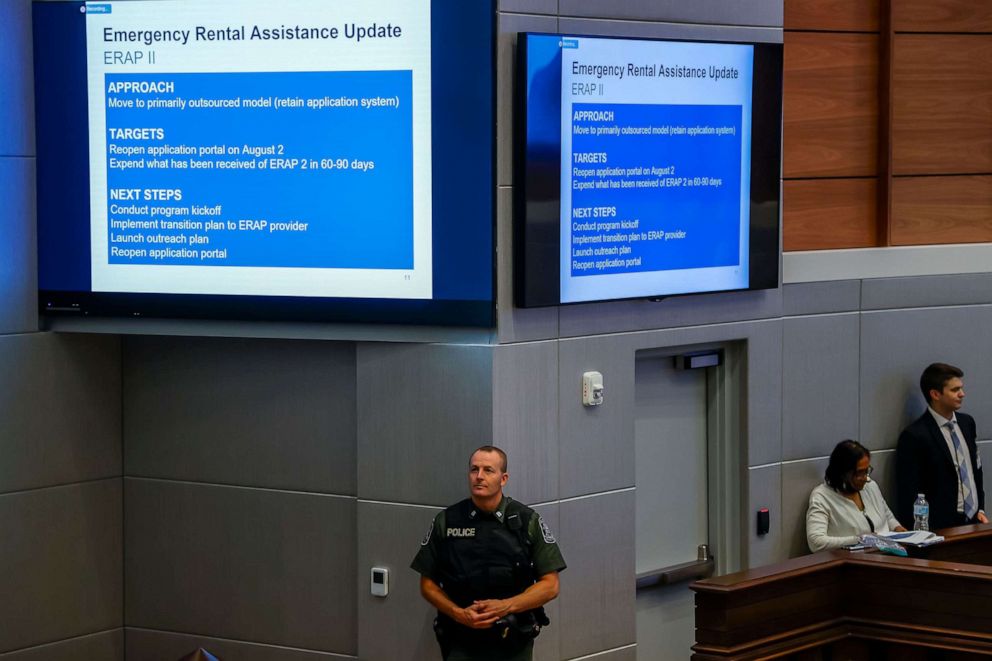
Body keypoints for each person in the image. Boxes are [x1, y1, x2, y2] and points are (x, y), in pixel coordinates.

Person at [411, 446, 566, 660]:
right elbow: (427, 584)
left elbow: (551, 585)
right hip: (460, 638)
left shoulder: (526, 521)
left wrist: (505, 606)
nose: (479, 476)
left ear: (503, 479)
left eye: (488, 470)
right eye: (474, 470)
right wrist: (458, 614)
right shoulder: (447, 521)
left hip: (512, 641)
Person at [896, 363, 987, 530]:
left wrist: (980, 507)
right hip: (940, 527)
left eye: (961, 388)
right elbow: (909, 490)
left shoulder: (967, 424)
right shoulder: (915, 435)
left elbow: (976, 469)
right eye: (955, 390)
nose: (962, 394)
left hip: (974, 522)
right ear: (935, 394)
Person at [806, 440, 905, 552]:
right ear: (842, 473)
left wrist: (899, 529)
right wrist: (860, 540)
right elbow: (816, 542)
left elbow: (887, 517)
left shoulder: (870, 486)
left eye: (867, 471)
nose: (865, 478)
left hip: (887, 555)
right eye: (859, 473)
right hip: (852, 562)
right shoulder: (822, 497)